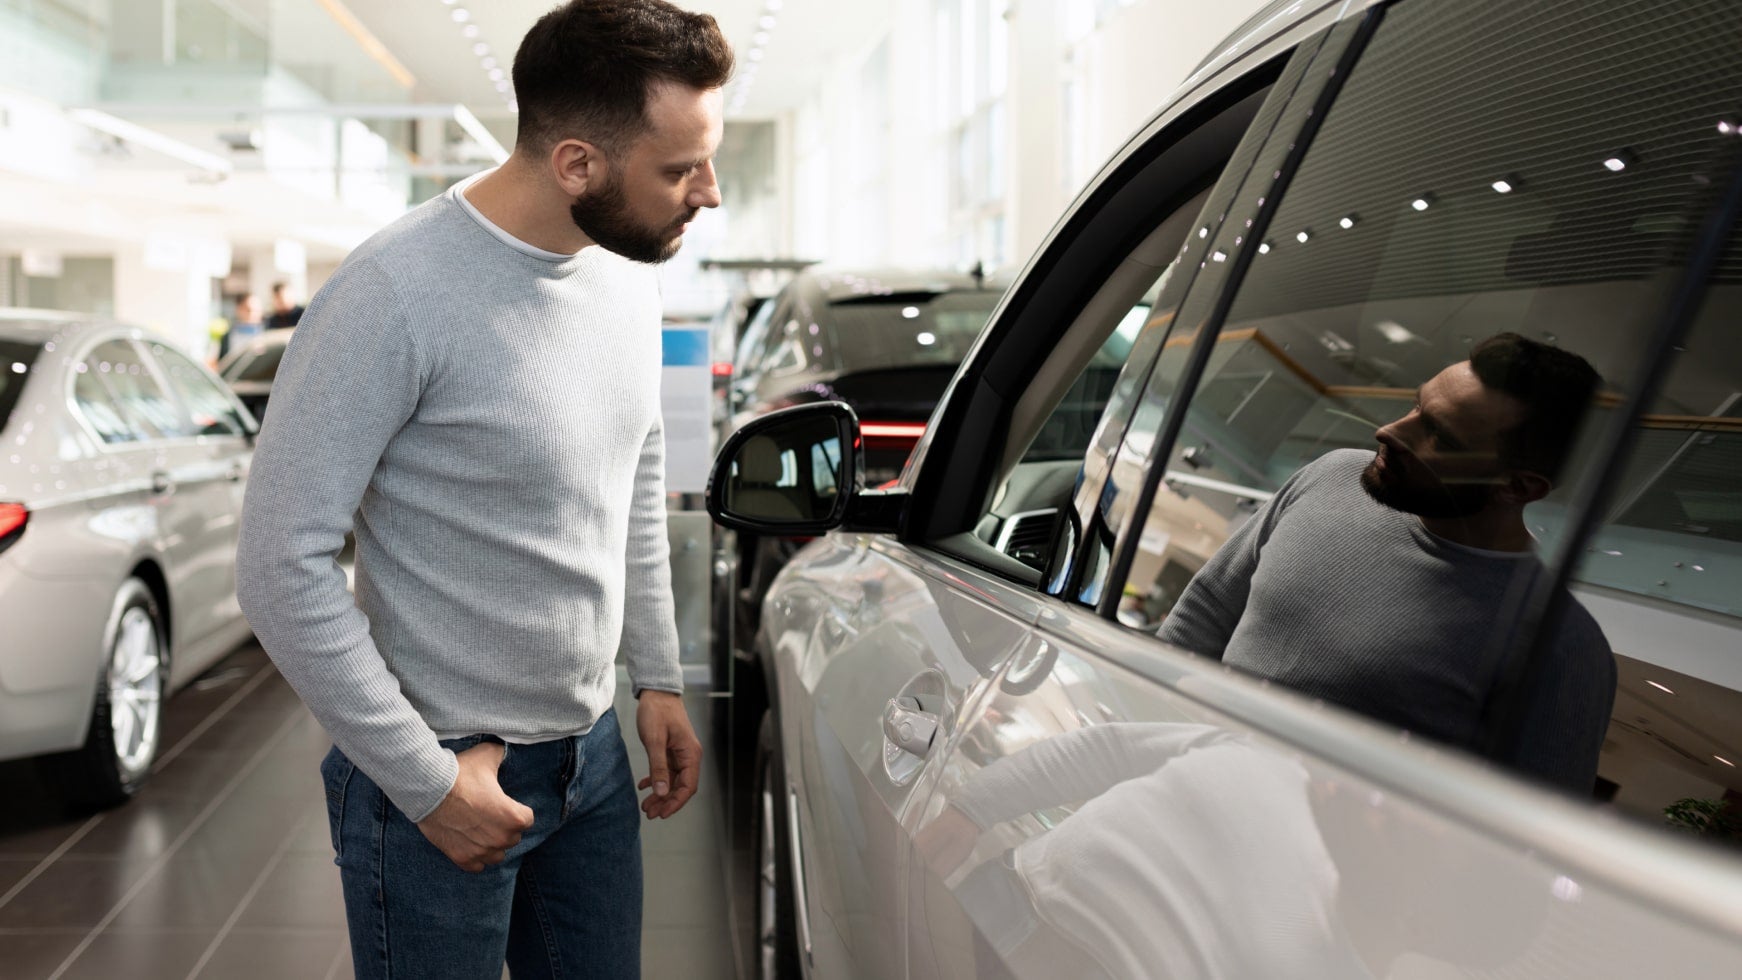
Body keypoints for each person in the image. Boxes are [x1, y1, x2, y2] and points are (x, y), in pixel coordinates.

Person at [235, 2, 732, 977]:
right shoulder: (392, 293)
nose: (707, 193)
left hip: (587, 759)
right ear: (577, 164)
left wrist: (657, 675)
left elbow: (629, 480)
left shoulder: (626, 278)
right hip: (435, 763)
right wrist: (425, 783)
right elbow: (276, 565)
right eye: (679, 169)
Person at [1158, 333, 1616, 792]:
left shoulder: (1562, 647)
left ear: (1517, 488)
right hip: (1174, 783)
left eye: (1438, 434)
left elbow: (1529, 830)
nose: (1390, 431)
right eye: (1417, 406)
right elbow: (1207, 609)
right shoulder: (1330, 476)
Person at [218, 293, 264, 362]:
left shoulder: (269, 333)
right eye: (249, 310)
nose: (253, 314)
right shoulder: (227, 337)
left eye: (257, 310)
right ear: (238, 309)